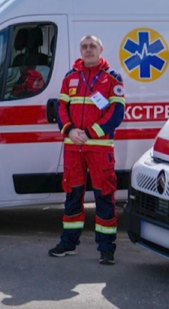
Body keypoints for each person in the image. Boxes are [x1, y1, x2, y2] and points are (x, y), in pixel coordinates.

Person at [49, 35, 125, 265]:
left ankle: (106, 248)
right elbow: (61, 108)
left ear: (101, 49)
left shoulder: (112, 78)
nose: (88, 50)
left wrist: (90, 133)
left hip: (99, 148)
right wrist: (70, 130)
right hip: (74, 147)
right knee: (72, 195)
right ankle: (69, 242)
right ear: (80, 50)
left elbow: (116, 114)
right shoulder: (70, 77)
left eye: (93, 46)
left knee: (104, 196)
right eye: (84, 46)